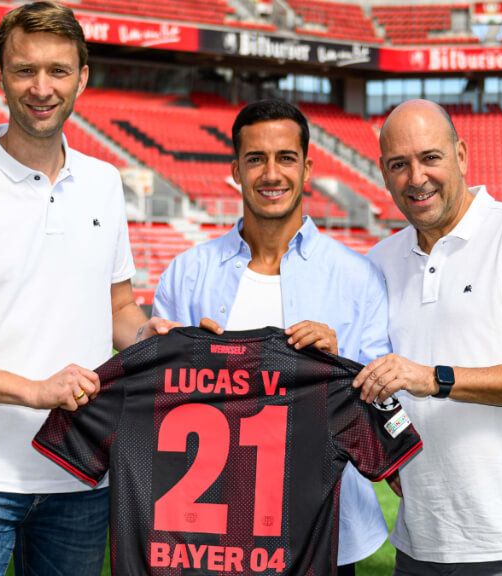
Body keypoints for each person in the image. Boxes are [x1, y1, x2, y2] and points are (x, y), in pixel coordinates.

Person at [0, 3, 174, 574]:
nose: (41, 88)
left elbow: (116, 305)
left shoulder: (105, 183)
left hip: (80, 475)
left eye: (58, 71)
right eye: (24, 71)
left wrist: (146, 333)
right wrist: (34, 391)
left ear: (82, 78)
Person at [152, 99, 393, 575]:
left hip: (325, 524)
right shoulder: (186, 273)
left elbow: (382, 407)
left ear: (307, 167)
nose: (271, 173)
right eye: (255, 158)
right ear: (235, 170)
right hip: (210, 531)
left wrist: (338, 367)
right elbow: (158, 411)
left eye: (285, 158)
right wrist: (174, 358)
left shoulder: (358, 278)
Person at [354, 99, 502, 575]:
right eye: (399, 164)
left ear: (460, 155)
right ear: (383, 172)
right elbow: (369, 381)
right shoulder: (379, 261)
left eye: (430, 158)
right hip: (420, 542)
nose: (416, 177)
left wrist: (433, 378)